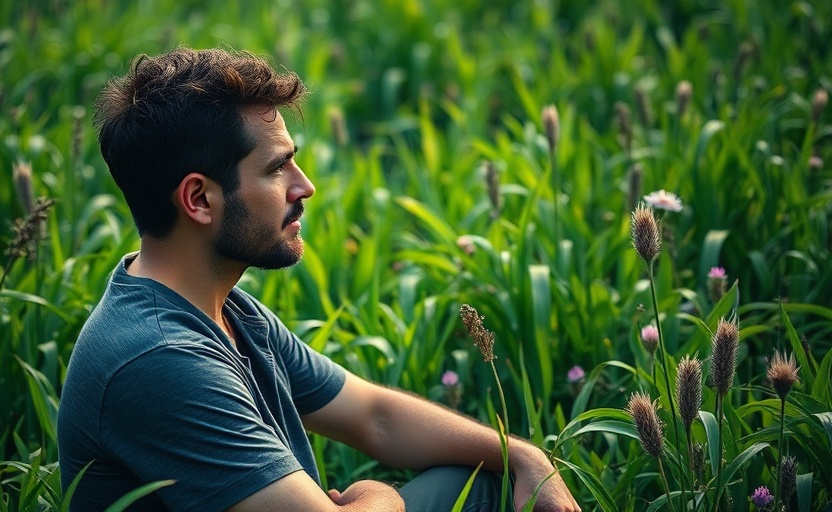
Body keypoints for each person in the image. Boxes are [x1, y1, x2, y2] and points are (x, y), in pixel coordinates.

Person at [57, 47, 581, 512]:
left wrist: (525, 457)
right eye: (276, 168)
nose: (304, 187)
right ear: (199, 199)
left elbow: (374, 417)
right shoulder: (156, 358)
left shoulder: (224, 309)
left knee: (489, 483)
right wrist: (383, 499)